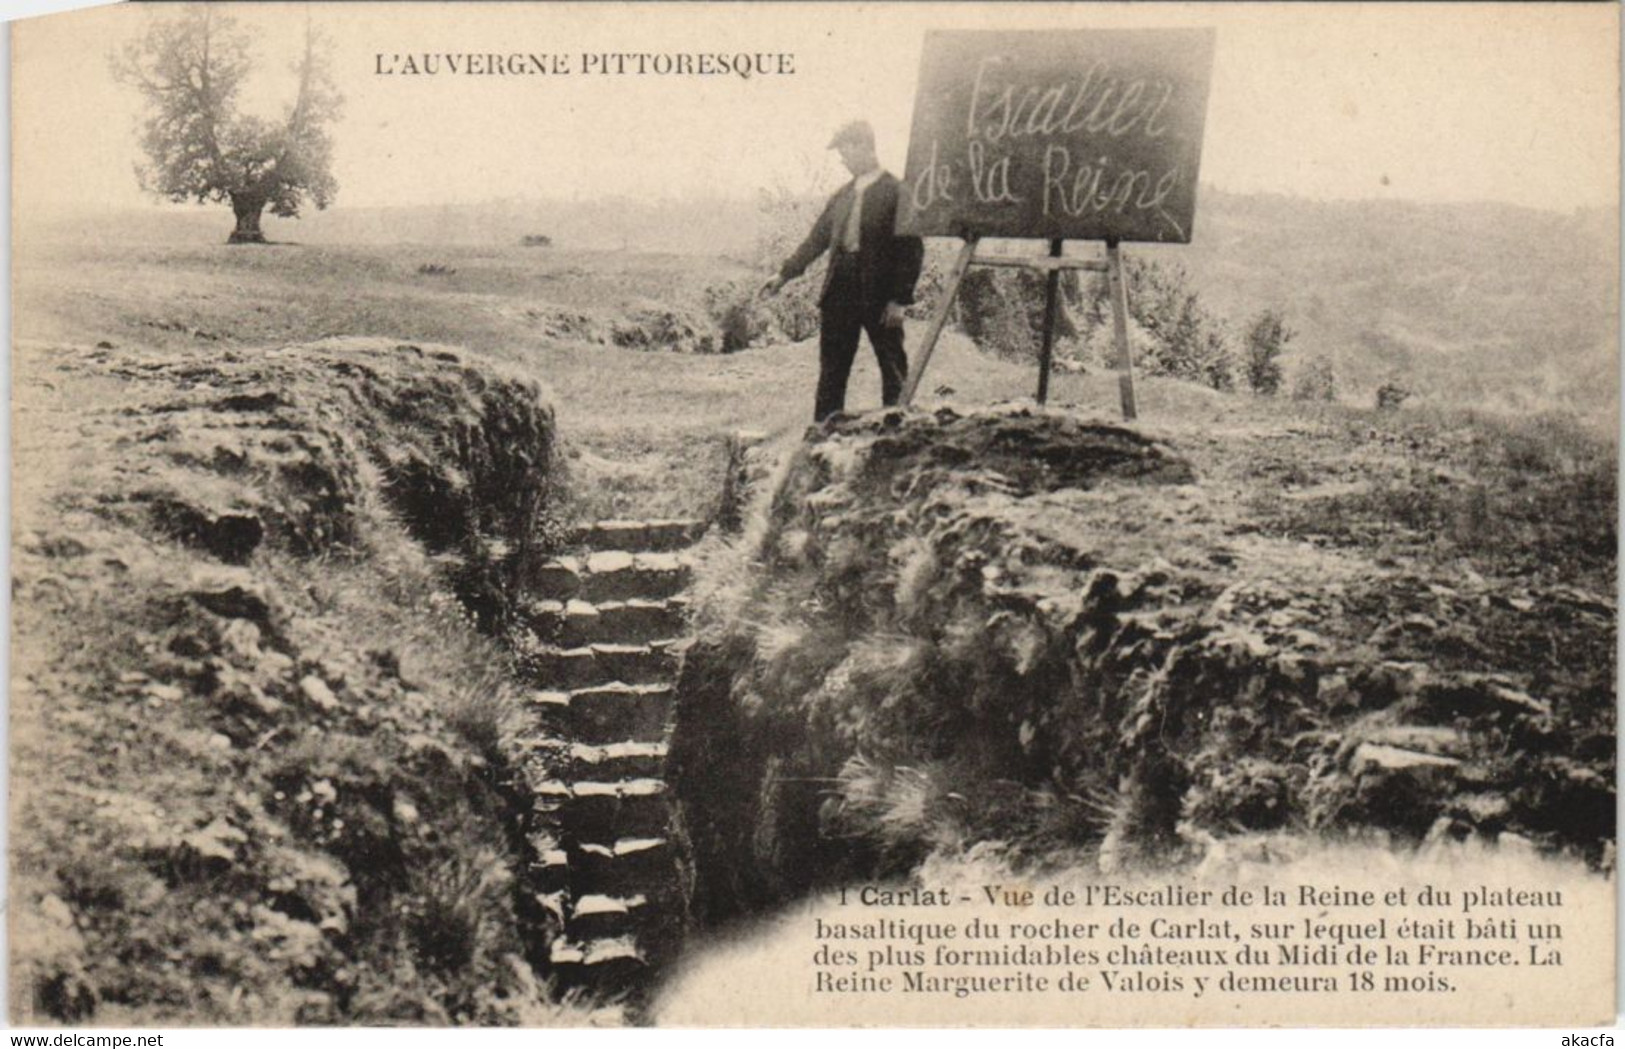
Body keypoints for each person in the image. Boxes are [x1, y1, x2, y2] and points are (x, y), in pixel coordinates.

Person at [760, 120, 925, 422]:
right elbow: (816, 239)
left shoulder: (897, 191)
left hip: (881, 294)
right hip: (840, 291)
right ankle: (823, 435)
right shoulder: (842, 195)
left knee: (892, 366)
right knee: (832, 370)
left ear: (864, 146)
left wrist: (899, 299)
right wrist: (783, 275)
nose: (842, 160)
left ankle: (900, 433)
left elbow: (911, 249)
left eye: (845, 151)